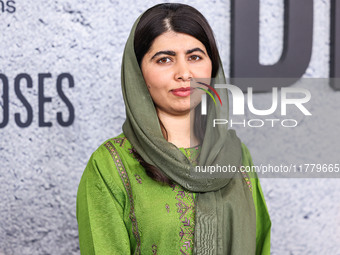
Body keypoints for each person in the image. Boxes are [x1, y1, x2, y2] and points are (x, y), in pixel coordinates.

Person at [76, 3, 271, 255]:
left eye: (195, 57)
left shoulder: (235, 155)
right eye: (164, 59)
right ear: (138, 73)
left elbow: (259, 245)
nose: (184, 73)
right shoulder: (110, 165)